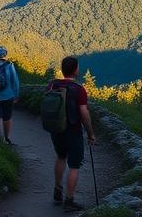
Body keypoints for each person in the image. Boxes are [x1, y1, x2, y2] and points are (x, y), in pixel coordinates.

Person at [47, 56, 97, 212]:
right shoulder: (79, 89)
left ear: (63, 69)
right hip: (73, 130)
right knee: (74, 165)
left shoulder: (52, 85)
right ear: (76, 70)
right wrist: (91, 134)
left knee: (61, 156)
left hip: (56, 128)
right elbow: (84, 112)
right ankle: (69, 200)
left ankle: (57, 190)